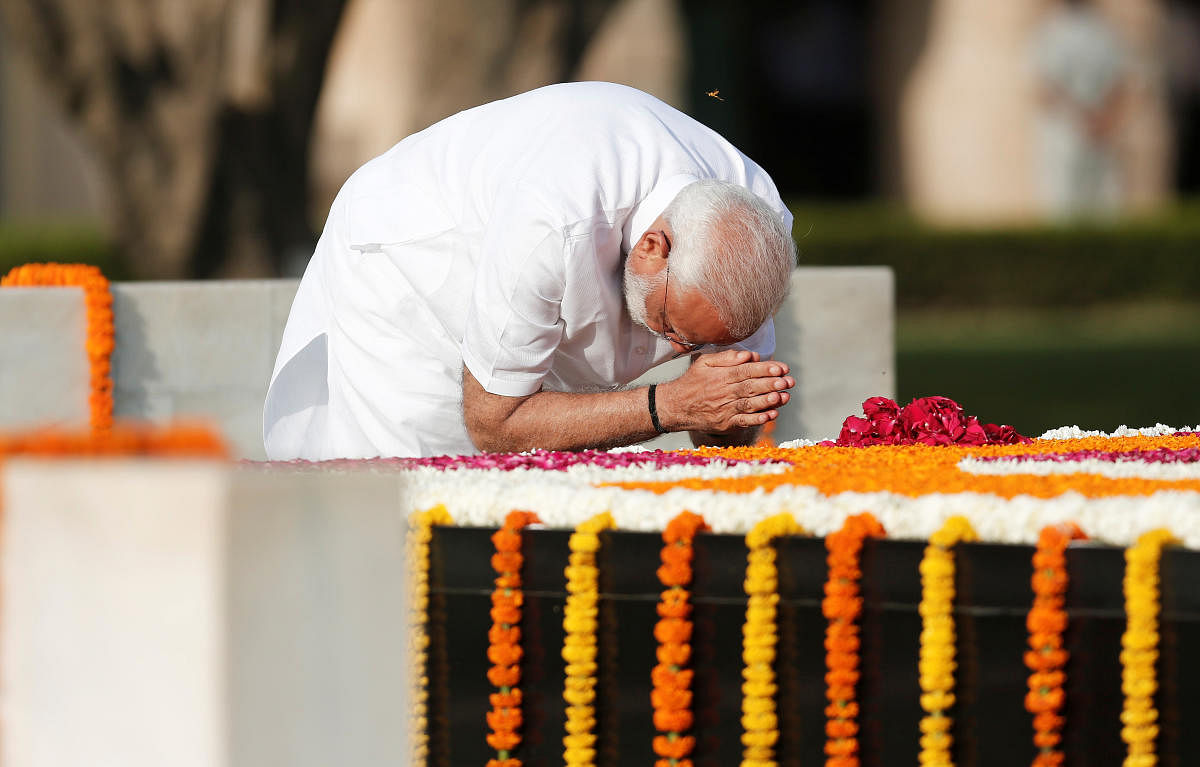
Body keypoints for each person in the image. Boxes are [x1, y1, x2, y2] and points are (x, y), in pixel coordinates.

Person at [264, 82, 797, 460]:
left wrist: (730, 403)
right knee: (416, 484)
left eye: (698, 344)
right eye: (672, 327)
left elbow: (722, 432)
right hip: (415, 269)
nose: (679, 352)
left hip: (528, 256)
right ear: (653, 247)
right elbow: (494, 423)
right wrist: (669, 406)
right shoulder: (556, 215)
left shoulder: (755, 230)